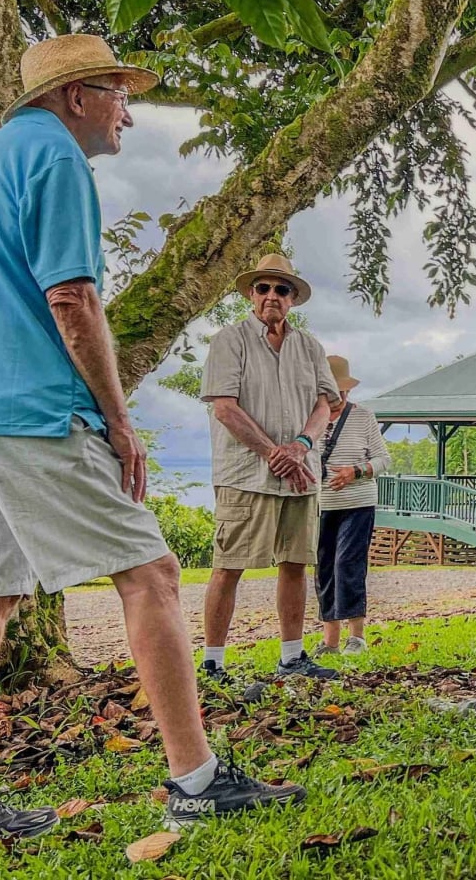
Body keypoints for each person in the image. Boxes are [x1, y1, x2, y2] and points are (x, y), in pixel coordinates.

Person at [0, 35, 302, 862]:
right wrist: (118, 420)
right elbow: (73, 299)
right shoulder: (56, 160)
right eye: (120, 94)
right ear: (78, 95)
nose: (128, 111)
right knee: (154, 572)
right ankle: (197, 781)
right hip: (29, 410)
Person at [199, 253, 339, 682]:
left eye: (281, 289)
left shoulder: (310, 347)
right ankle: (213, 662)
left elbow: (325, 405)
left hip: (301, 473)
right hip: (245, 473)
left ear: (293, 298)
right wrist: (273, 453)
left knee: (295, 563)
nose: (272, 296)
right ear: (251, 295)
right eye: (264, 288)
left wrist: (299, 446)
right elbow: (224, 407)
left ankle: (292, 657)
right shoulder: (230, 340)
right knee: (228, 565)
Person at [312, 355, 392, 657]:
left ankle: (356, 635)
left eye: (344, 391)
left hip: (358, 501)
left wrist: (355, 471)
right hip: (321, 504)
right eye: (334, 391)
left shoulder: (363, 417)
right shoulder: (310, 417)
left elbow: (384, 459)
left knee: (349, 563)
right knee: (324, 568)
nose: (340, 397)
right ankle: (330, 638)